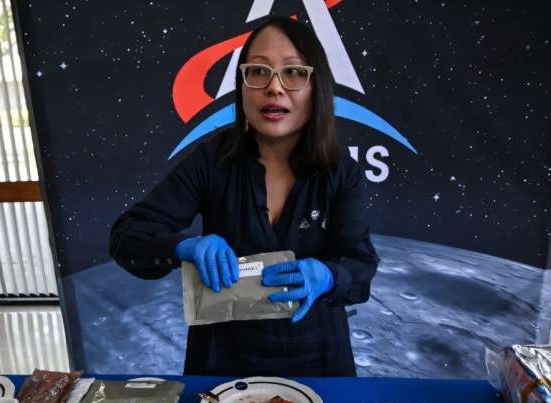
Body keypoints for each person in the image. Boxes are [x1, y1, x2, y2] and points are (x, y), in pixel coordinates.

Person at [110, 16, 378, 377]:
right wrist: (182, 247)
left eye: (294, 73)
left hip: (320, 363)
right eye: (258, 72)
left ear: (318, 88)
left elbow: (360, 267)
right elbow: (128, 236)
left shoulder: (340, 171)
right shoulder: (211, 161)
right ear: (241, 85)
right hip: (223, 363)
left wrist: (329, 276)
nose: (275, 88)